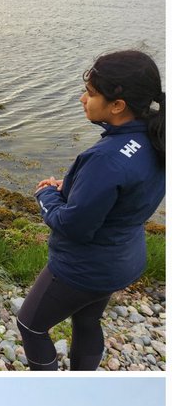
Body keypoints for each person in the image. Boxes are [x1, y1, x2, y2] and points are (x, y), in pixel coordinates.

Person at [17, 51, 165, 370]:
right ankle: (84, 380)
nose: (83, 99)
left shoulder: (107, 158)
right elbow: (122, 198)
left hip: (83, 268)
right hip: (122, 260)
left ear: (117, 105)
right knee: (87, 319)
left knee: (30, 325)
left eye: (92, 93)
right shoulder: (155, 140)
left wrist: (46, 194)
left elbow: (73, 226)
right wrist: (71, 190)